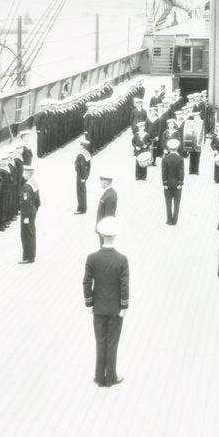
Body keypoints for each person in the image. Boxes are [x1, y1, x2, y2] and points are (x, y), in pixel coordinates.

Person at [83, 217, 130, 387]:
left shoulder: (92, 258)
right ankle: (111, 376)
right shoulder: (122, 260)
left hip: (98, 307)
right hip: (115, 308)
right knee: (112, 342)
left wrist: (89, 303)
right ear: (115, 236)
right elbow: (124, 285)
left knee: (100, 341)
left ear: (101, 235)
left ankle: (98, 376)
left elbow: (87, 282)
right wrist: (124, 305)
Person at [161, 138, 185, 225]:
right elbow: (181, 172)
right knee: (177, 203)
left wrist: (165, 183)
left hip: (168, 184)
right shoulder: (180, 159)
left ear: (169, 148)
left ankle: (169, 220)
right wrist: (180, 183)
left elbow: (164, 173)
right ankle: (175, 220)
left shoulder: (164, 159)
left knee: (168, 203)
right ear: (177, 148)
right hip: (177, 184)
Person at [18, 166, 39, 263]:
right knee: (31, 233)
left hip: (27, 215)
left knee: (26, 235)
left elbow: (26, 204)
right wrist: (35, 211)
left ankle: (27, 257)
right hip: (32, 213)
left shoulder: (26, 187)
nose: (23, 174)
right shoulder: (34, 182)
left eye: (24, 172)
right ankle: (31, 255)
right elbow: (38, 201)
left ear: (28, 174)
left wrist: (26, 217)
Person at [96, 174, 118, 244]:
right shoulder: (109, 192)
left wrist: (105, 230)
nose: (100, 183)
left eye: (101, 181)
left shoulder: (110, 196)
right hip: (102, 228)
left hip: (105, 230)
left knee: (104, 248)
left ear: (106, 182)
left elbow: (109, 215)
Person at [74, 138, 91, 214]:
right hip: (83, 176)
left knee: (80, 192)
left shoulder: (81, 155)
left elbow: (82, 167)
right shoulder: (86, 153)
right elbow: (89, 166)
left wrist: (83, 177)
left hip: (80, 176)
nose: (79, 146)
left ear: (83, 146)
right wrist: (87, 176)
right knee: (83, 192)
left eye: (80, 145)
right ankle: (83, 207)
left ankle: (81, 208)